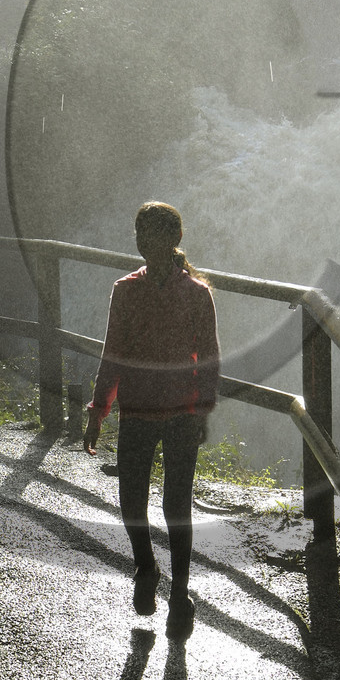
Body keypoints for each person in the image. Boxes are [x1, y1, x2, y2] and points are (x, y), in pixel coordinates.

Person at [83, 201, 220, 640]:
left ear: (174, 239)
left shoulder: (197, 294)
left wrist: (203, 408)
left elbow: (210, 358)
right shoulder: (125, 290)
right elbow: (113, 353)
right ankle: (146, 566)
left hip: (181, 411)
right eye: (140, 233)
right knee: (131, 499)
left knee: (176, 505)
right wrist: (99, 410)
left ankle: (180, 594)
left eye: (154, 233)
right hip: (138, 409)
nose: (145, 241)